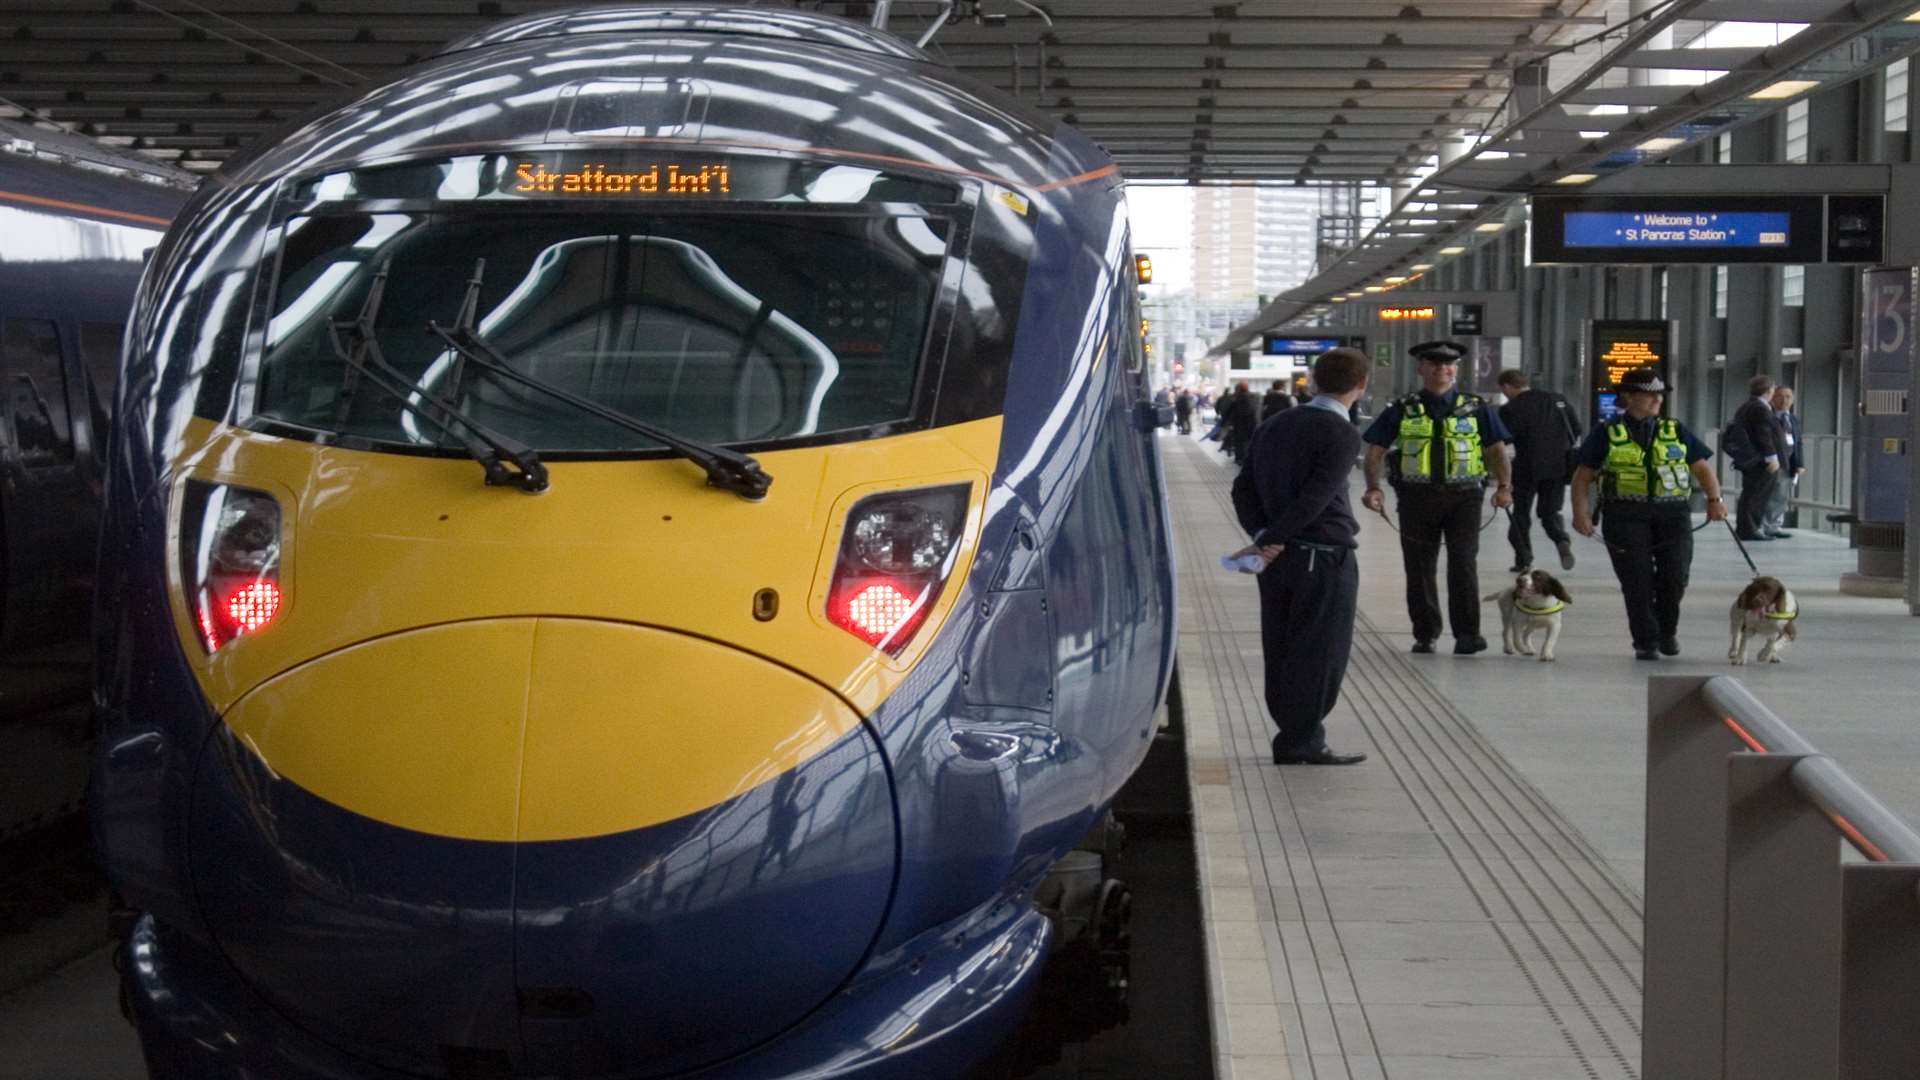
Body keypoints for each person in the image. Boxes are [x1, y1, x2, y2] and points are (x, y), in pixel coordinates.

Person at [1230, 348, 1372, 766]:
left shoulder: (1275, 423)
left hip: (1276, 562)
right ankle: (1303, 739)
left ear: (1312, 380)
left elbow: (1242, 489)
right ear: (1362, 384)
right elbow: (1317, 497)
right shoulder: (1343, 433)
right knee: (1321, 649)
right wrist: (1273, 537)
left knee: (1282, 644)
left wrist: (1263, 538)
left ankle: (1292, 734)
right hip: (1323, 556)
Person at [1361, 340, 1514, 655]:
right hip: (1416, 498)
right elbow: (1375, 450)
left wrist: (1504, 487)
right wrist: (1373, 487)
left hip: (1465, 498)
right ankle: (1425, 633)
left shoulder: (1476, 407)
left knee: (1463, 565)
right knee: (1418, 568)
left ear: (1456, 370)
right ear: (1421, 369)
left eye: (1449, 364)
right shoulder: (1403, 408)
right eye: (1435, 364)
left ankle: (1467, 635)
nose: (1443, 369)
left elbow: (1497, 450)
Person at [1570, 368, 1727, 660]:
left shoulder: (1674, 429)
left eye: (1659, 395)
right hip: (1625, 514)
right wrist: (1582, 513)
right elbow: (1582, 477)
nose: (1656, 400)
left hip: (1673, 514)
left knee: (1675, 576)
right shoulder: (1606, 432)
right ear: (1628, 397)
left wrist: (1715, 499)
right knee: (1637, 581)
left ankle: (1667, 631)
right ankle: (1646, 641)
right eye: (1649, 394)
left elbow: (1702, 467)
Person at [1495, 369, 1582, 573]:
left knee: (1521, 515)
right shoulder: (1557, 400)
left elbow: (1503, 439)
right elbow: (1576, 428)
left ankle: (1523, 559)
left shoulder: (1511, 408)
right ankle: (1561, 541)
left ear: (1507, 386)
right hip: (1558, 467)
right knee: (1550, 512)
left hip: (1526, 467)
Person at [1730, 374, 1786, 542]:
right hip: (1760, 461)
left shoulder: (1748, 406)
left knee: (1751, 493)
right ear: (1769, 390)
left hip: (1751, 460)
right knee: (1757, 495)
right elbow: (1764, 435)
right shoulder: (1760, 408)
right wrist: (1772, 457)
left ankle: (1748, 527)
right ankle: (1750, 528)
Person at [1764, 385, 1804, 538]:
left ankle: (1775, 524)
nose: (1784, 400)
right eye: (1780, 396)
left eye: (1788, 397)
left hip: (1790, 462)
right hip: (1775, 461)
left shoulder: (1792, 419)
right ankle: (1767, 525)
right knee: (1772, 494)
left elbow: (1798, 441)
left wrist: (1800, 463)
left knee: (1783, 495)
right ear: (1773, 399)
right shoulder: (1769, 417)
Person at [1219, 381, 1259, 465]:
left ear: (1238, 389)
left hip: (1239, 424)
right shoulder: (1254, 397)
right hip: (1252, 424)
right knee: (1248, 442)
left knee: (1239, 442)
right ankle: (1247, 458)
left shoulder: (1234, 399)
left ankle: (1240, 458)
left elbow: (1228, 412)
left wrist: (1223, 423)